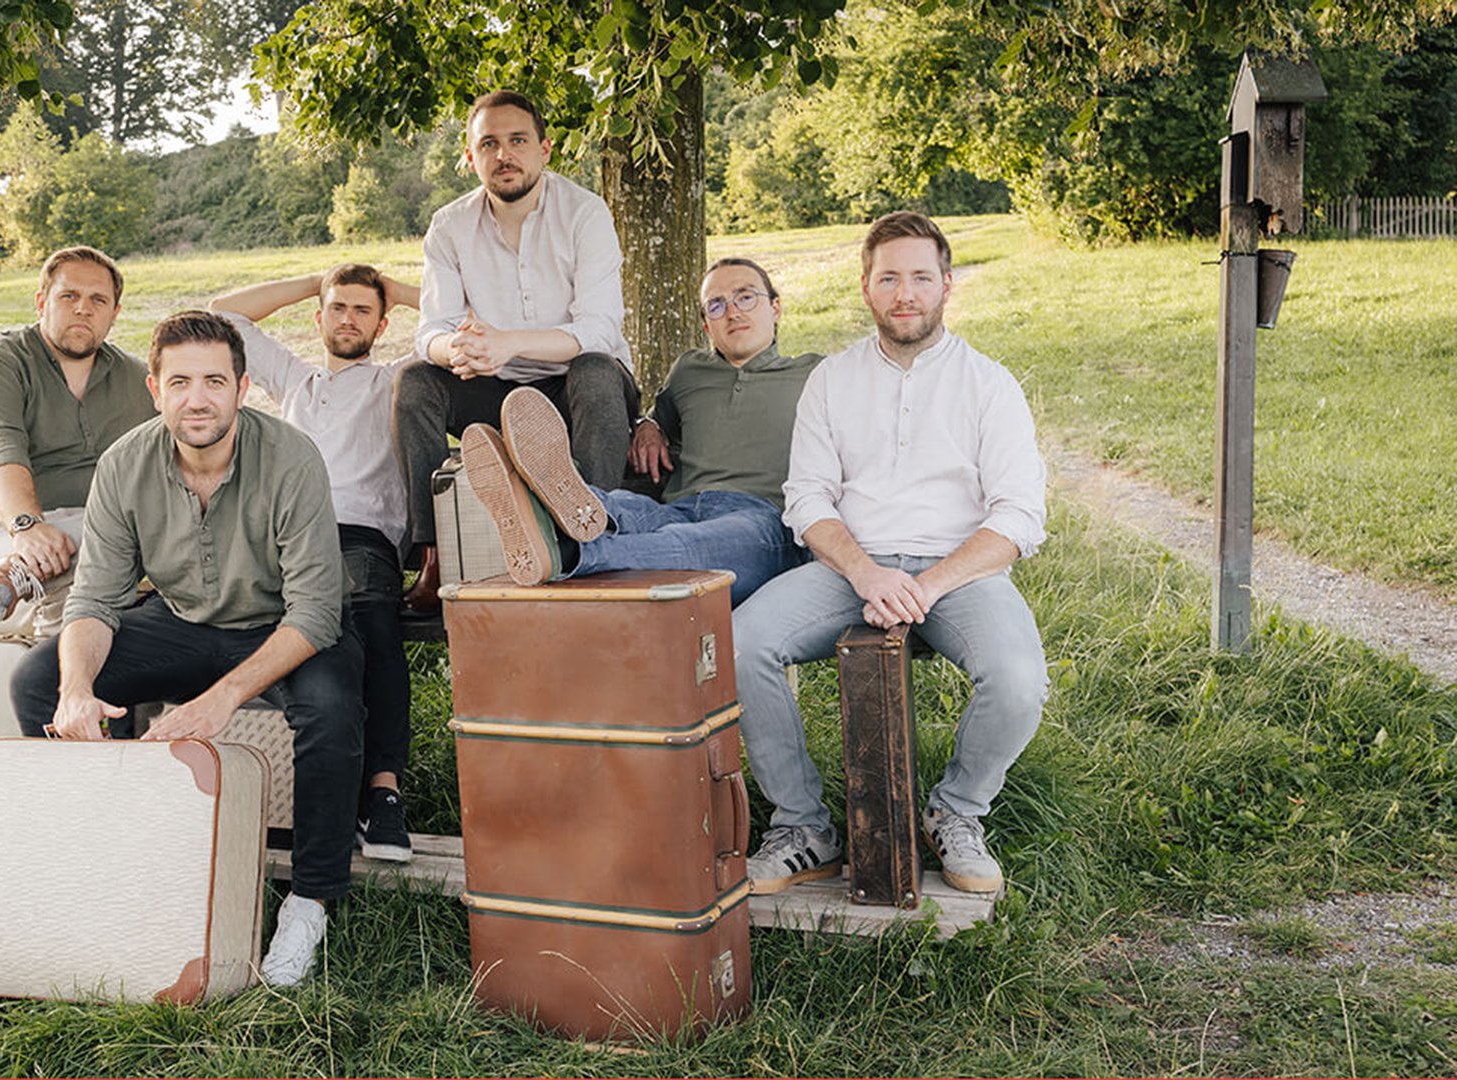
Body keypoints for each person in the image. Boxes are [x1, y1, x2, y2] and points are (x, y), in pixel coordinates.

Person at [8, 311, 364, 987]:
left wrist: (219, 702)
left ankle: (311, 899)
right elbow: (94, 599)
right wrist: (76, 690)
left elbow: (317, 612)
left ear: (243, 388)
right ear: (155, 390)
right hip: (181, 620)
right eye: (180, 383)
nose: (197, 399)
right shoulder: (124, 464)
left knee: (331, 707)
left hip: (283, 626)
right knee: (37, 682)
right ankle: (119, 862)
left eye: (213, 382)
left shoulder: (291, 458)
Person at [733, 212, 1049, 897]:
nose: (905, 293)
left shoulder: (989, 384)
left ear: (947, 285)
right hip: (852, 568)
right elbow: (807, 498)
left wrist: (926, 586)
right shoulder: (832, 380)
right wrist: (867, 573)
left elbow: (1019, 516)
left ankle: (955, 811)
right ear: (866, 287)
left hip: (960, 573)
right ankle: (804, 828)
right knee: (739, 641)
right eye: (889, 278)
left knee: (1019, 679)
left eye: (921, 278)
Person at [395, 89, 640, 612]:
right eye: (489, 144)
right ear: (470, 157)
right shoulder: (449, 226)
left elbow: (598, 329)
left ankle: (591, 541)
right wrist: (457, 349)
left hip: (576, 388)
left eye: (517, 140)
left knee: (596, 369)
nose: (504, 154)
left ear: (545, 149)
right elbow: (430, 330)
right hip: (495, 389)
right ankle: (435, 555)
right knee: (415, 381)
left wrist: (509, 344)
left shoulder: (584, 212)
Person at [206, 265, 420, 863]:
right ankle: (311, 786)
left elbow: (464, 324)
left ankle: (382, 793)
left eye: (363, 310)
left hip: (360, 537)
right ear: (319, 316)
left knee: (370, 624)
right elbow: (224, 314)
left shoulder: (394, 380)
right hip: (286, 542)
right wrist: (315, 281)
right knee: (294, 636)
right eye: (337, 308)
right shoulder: (296, 382)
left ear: (382, 325)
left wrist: (395, 290)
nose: (348, 319)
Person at [457, 258, 817, 605]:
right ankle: (539, 494)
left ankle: (566, 552)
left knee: (684, 543)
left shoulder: (815, 375)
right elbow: (657, 418)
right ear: (707, 326)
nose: (733, 312)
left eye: (746, 297)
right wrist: (649, 425)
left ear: (775, 308)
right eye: (716, 305)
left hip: (763, 522)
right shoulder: (689, 371)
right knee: (621, 507)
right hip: (680, 507)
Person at [0, 246, 154, 634]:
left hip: (92, 547)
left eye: (98, 300)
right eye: (69, 296)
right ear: (41, 302)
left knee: (137, 534)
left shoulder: (137, 380)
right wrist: (27, 527)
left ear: (115, 312)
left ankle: (59, 650)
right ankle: (26, 588)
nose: (83, 309)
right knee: (112, 546)